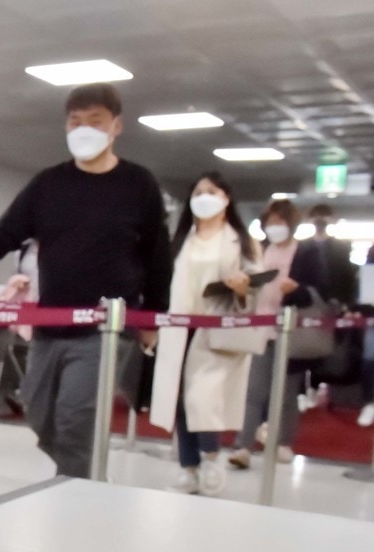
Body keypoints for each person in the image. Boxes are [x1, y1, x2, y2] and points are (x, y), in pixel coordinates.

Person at [0, 83, 171, 478]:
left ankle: (78, 495)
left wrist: (152, 317)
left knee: (74, 418)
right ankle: (85, 480)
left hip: (106, 328)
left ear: (116, 126)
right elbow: (7, 231)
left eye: (94, 121)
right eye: (75, 122)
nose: (83, 129)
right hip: (51, 323)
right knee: (40, 412)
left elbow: (158, 256)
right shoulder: (48, 185)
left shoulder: (138, 185)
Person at [149, 173, 263, 496]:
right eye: (198, 192)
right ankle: (189, 468)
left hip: (217, 329)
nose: (204, 197)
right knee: (182, 401)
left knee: (204, 397)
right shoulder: (180, 239)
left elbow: (256, 288)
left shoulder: (241, 241)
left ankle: (211, 458)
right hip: (180, 328)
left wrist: (242, 288)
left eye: (211, 192)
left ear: (226, 198)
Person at [230, 200, 329, 468]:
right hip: (260, 328)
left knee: (286, 393)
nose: (275, 228)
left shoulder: (306, 252)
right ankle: (244, 446)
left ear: (291, 225)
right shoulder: (259, 251)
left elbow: (319, 291)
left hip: (291, 332)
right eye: (270, 223)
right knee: (254, 391)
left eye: (280, 223)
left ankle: (283, 442)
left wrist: (296, 289)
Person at [309, 204, 357, 307]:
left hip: (336, 299)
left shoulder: (342, 247)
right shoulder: (301, 247)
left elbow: (347, 276)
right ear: (310, 219)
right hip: (310, 299)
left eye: (323, 215)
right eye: (316, 215)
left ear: (331, 219)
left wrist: (348, 302)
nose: (319, 218)